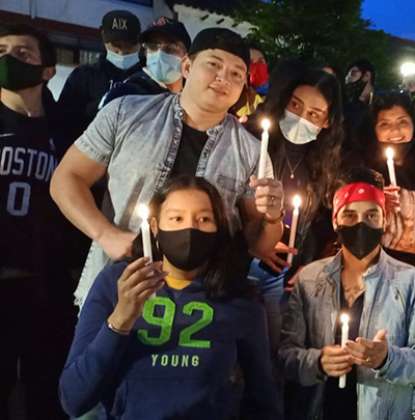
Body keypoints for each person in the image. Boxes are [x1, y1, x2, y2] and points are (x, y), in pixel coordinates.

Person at [50, 27, 284, 308]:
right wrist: (105, 234)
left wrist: (272, 218)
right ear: (187, 66)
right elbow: (67, 178)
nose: (224, 78)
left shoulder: (251, 152)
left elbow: (258, 245)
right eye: (213, 65)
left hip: (202, 304)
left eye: (236, 73)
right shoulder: (126, 113)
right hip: (118, 287)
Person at [59, 175, 282, 418]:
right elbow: (73, 398)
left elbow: (264, 399)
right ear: (154, 227)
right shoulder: (117, 282)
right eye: (176, 218)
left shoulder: (240, 297)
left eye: (204, 219)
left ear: (219, 228)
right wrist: (121, 319)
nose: (190, 229)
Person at [278, 172, 415, 420]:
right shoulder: (310, 279)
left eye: (371, 215)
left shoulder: (410, 281)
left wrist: (387, 359)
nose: (361, 224)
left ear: (384, 221)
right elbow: (285, 357)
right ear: (336, 221)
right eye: (350, 215)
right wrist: (319, 362)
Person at [0, 23, 77, 420]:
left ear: (48, 71)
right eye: (2, 50)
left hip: (46, 285)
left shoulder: (65, 132)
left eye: (22, 53)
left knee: (46, 392)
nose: (9, 59)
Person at [244, 65, 344, 352]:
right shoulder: (253, 144)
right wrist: (257, 240)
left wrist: (314, 264)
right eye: (295, 105)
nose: (301, 118)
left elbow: (325, 227)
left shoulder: (325, 166)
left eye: (314, 114)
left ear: (326, 122)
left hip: (287, 279)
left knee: (274, 353)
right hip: (241, 267)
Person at [359, 92, 415, 267]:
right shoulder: (363, 173)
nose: (395, 131)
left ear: (414, 126)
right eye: (384, 124)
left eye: (402, 122)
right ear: (374, 130)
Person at [58, 10, 142, 141]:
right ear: (103, 37)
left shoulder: (150, 77)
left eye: (129, 45)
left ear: (139, 42)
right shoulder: (83, 77)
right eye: (116, 45)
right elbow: (63, 125)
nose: (122, 52)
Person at [101, 16, 191, 106]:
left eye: (171, 48)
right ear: (146, 52)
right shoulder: (125, 95)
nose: (160, 54)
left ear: (187, 57)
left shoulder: (193, 96)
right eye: (152, 46)